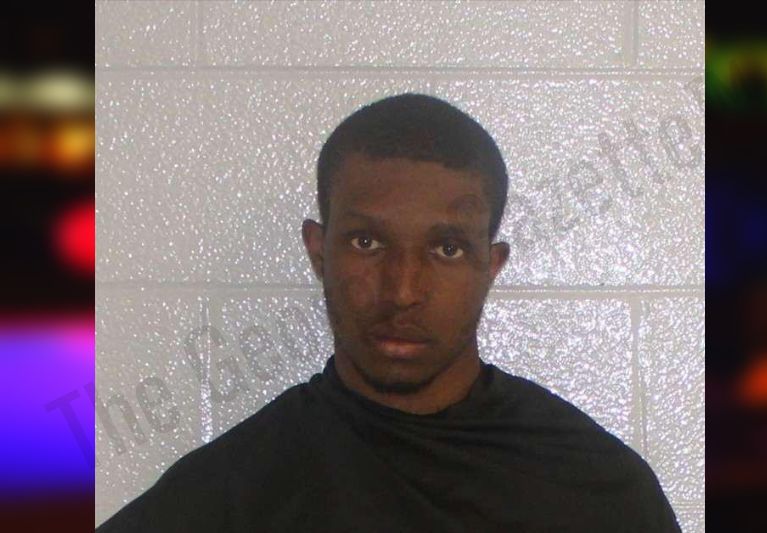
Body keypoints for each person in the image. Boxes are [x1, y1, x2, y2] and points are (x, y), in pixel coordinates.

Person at [96, 93, 681, 532]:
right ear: (318, 251)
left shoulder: (596, 488)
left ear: (491, 264)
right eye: (367, 243)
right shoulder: (230, 497)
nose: (402, 291)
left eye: (446, 249)